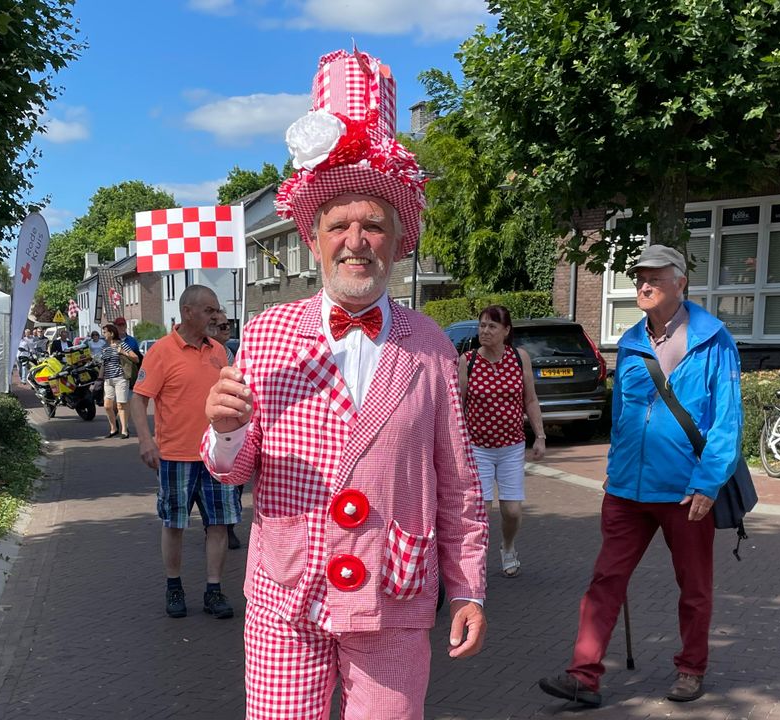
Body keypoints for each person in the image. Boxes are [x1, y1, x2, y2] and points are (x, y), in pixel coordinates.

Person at [201, 47, 487, 720]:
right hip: (286, 595)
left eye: (373, 225)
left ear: (397, 240)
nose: (356, 239)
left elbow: (458, 482)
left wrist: (469, 587)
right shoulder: (268, 333)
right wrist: (224, 431)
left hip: (393, 592)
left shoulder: (430, 345)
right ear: (315, 238)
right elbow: (232, 470)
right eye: (339, 225)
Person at [538, 244, 742, 707]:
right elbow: (623, 416)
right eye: (639, 278)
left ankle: (691, 668)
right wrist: (614, 470)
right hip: (627, 491)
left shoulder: (714, 340)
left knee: (694, 588)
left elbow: (727, 422)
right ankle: (583, 676)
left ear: (680, 283)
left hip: (686, 493)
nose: (644, 286)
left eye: (654, 277)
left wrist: (708, 483)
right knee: (605, 580)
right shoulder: (630, 342)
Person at [130, 284, 238, 621]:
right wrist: (145, 440)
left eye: (217, 310)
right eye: (209, 310)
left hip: (217, 456)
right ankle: (174, 586)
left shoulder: (219, 351)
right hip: (176, 455)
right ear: (187, 312)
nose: (216, 316)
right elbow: (138, 399)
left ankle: (213, 590)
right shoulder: (161, 351)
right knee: (174, 523)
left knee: (219, 524)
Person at [457, 304, 545, 578]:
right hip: (477, 448)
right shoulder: (468, 361)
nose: (485, 331)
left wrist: (540, 436)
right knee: (481, 510)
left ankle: (508, 547)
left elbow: (530, 399)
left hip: (511, 446)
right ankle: (477, 563)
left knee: (513, 510)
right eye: (482, 325)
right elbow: (458, 405)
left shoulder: (519, 358)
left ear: (506, 331)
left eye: (492, 326)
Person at [209, 308, 242, 550]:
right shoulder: (205, 353)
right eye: (221, 326)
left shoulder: (231, 353)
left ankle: (228, 526)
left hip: (231, 425)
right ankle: (215, 527)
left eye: (228, 324)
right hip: (208, 424)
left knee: (235, 479)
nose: (226, 329)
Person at [100, 324, 136, 439]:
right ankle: (113, 428)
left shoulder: (122, 344)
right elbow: (103, 364)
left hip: (121, 378)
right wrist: (99, 378)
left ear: (111, 333)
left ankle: (124, 430)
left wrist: (123, 352)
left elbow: (136, 358)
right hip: (108, 380)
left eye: (105, 332)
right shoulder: (104, 347)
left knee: (121, 404)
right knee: (107, 406)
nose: (103, 335)